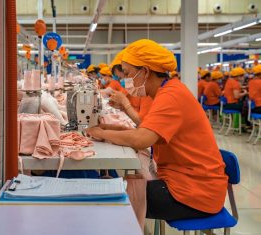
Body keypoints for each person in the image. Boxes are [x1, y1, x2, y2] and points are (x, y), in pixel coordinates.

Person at [85, 39, 228, 220]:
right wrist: (110, 129)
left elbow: (141, 139)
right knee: (111, 187)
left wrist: (100, 133)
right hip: (187, 181)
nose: (124, 80)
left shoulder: (171, 96)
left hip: (194, 192)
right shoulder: (165, 91)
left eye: (127, 74)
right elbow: (147, 129)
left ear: (144, 71)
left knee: (108, 198)